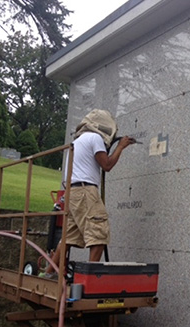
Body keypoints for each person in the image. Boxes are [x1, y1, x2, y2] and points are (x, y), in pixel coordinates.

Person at [41, 109, 135, 279]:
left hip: (72, 192)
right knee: (99, 233)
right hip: (85, 191)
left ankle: (49, 274)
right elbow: (106, 165)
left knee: (68, 236)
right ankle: (88, 280)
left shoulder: (78, 141)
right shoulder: (95, 138)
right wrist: (120, 147)